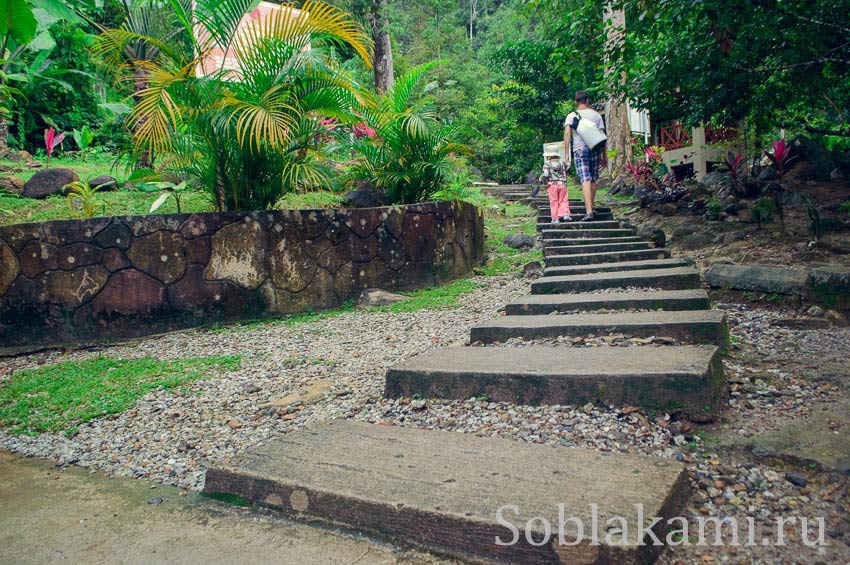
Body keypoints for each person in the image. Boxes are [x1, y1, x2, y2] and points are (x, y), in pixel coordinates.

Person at [564, 90, 607, 221]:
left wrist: (567, 154)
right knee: (593, 179)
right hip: (595, 148)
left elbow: (567, 134)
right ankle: (592, 206)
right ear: (587, 100)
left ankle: (589, 211)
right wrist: (604, 156)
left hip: (580, 149)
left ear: (576, 102)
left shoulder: (571, 116)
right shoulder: (596, 115)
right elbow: (602, 136)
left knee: (585, 179)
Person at [539, 154, 571, 223]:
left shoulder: (547, 163)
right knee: (563, 200)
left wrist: (541, 178)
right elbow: (568, 166)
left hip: (552, 185)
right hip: (563, 184)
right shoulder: (562, 162)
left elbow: (546, 174)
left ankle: (555, 218)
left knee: (554, 201)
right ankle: (565, 214)